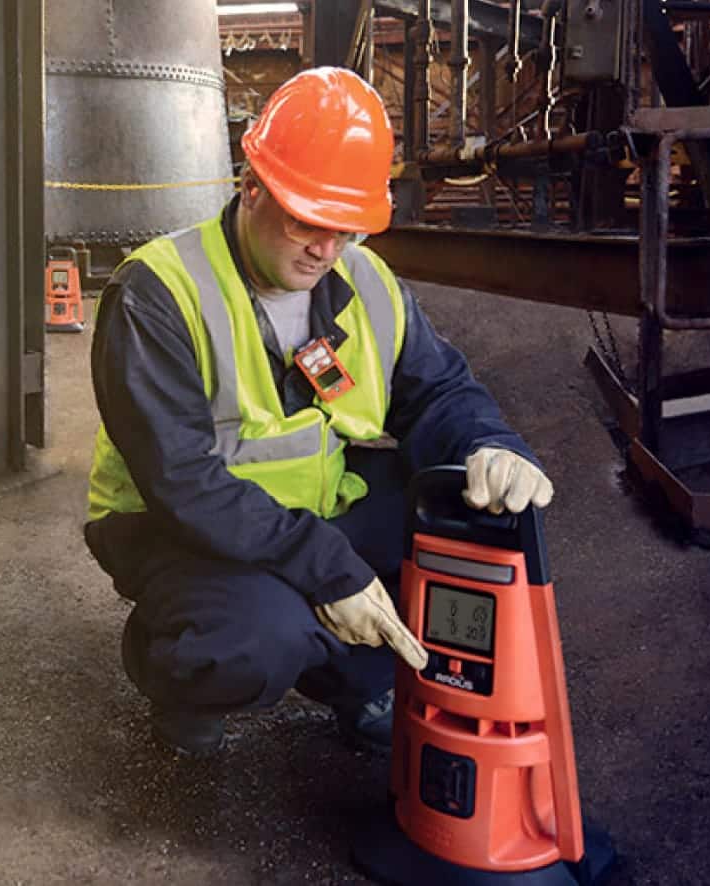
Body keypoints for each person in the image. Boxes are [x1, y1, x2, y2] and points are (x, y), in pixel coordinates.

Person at [84, 67, 554, 757]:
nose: (326, 250)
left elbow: (437, 390)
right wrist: (329, 570)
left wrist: (492, 443)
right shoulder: (157, 294)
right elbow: (182, 480)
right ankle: (177, 667)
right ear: (252, 188)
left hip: (315, 504)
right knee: (257, 638)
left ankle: (358, 675)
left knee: (472, 512)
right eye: (308, 219)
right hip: (175, 527)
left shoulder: (363, 280)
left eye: (347, 229)